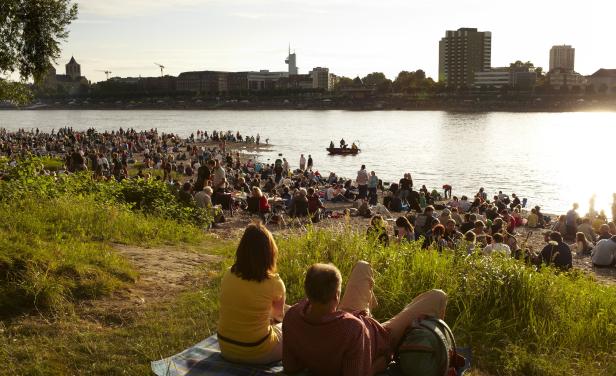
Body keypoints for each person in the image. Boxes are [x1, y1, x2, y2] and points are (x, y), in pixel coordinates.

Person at [283, 262, 447, 376]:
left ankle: (370, 308)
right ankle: (438, 353)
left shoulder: (292, 316)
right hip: (382, 336)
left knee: (363, 266)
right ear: (337, 295)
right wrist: (379, 365)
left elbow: (290, 367)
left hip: (344, 316)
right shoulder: (352, 329)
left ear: (307, 291)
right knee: (438, 296)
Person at [218, 223, 286, 364]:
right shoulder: (275, 283)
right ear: (270, 253)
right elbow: (278, 316)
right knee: (292, 329)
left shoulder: (228, 274)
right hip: (258, 352)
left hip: (225, 349)